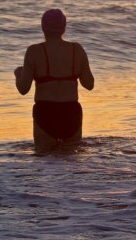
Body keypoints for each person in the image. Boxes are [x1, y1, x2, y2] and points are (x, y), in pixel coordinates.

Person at [15, 9, 94, 149]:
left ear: (42, 26)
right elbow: (89, 84)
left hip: (46, 112)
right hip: (71, 112)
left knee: (45, 163)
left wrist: (18, 74)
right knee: (71, 166)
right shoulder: (77, 49)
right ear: (64, 26)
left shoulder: (34, 51)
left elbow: (23, 89)